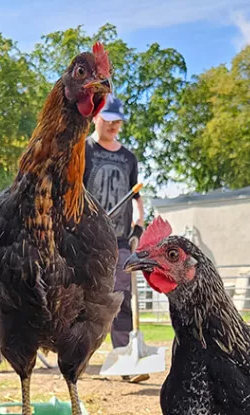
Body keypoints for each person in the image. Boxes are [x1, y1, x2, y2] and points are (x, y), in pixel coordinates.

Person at [83, 94, 146, 382]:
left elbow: (137, 197)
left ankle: (125, 362)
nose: (113, 126)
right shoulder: (84, 150)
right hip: (85, 239)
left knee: (121, 298)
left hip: (119, 240)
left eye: (118, 121)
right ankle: (76, 359)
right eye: (108, 119)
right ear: (96, 117)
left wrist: (138, 226)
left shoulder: (128, 158)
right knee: (82, 299)